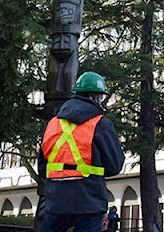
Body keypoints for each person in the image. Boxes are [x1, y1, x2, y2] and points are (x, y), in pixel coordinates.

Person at [38, 71, 126, 232]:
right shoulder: (100, 123)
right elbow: (115, 165)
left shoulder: (52, 124)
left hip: (56, 201)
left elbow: (43, 168)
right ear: (96, 97)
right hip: (89, 200)